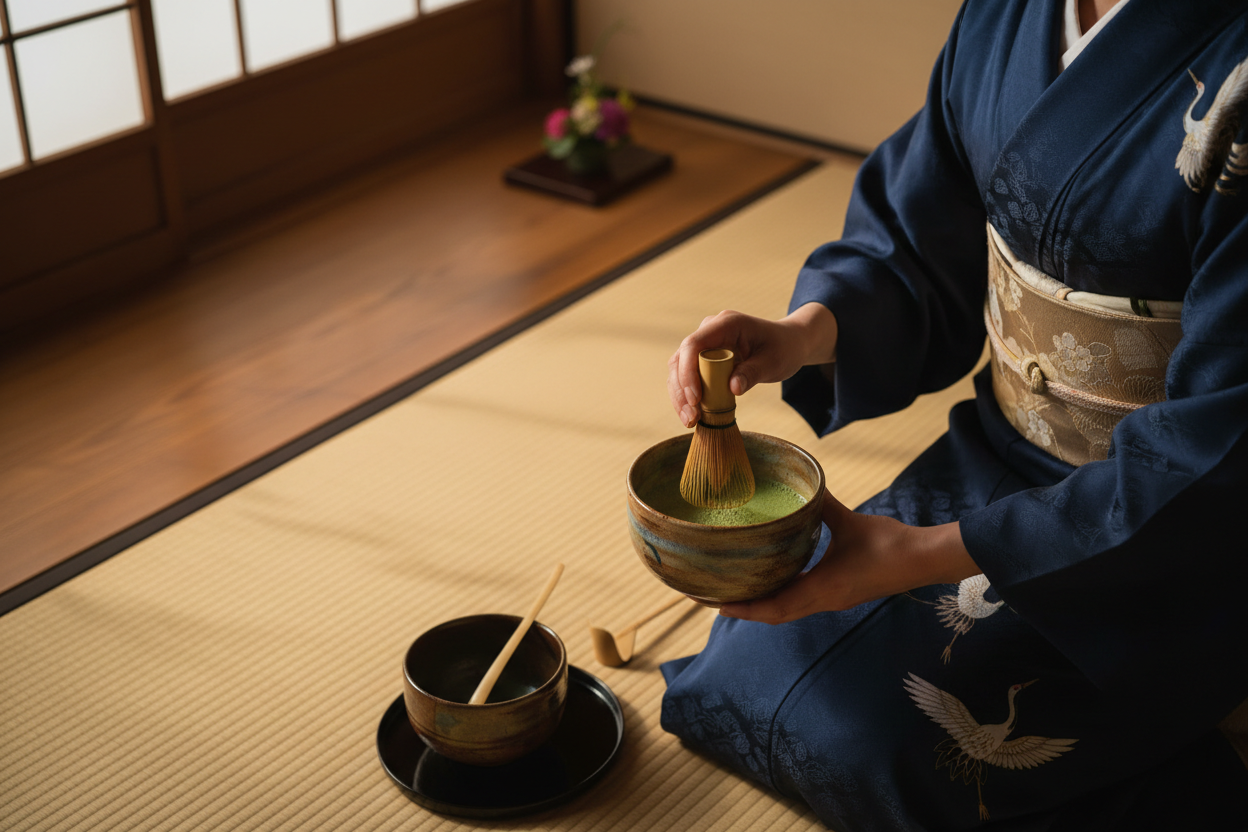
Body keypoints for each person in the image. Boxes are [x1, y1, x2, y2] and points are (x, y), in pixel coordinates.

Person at [659, 0, 1248, 829]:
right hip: (999, 450)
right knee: (745, 665)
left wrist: (914, 555)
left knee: (888, 750)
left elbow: (1221, 445)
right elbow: (921, 228)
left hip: (1173, 521)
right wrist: (805, 333)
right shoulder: (1008, 12)